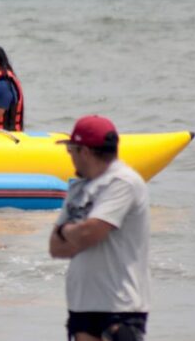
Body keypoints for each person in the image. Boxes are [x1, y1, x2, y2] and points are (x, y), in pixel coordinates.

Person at [49, 115, 150, 341]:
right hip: (82, 305)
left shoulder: (123, 182)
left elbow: (91, 232)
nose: (70, 158)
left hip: (119, 306)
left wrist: (67, 231)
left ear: (84, 152)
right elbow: (55, 248)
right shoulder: (77, 189)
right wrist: (77, 234)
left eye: (71, 151)